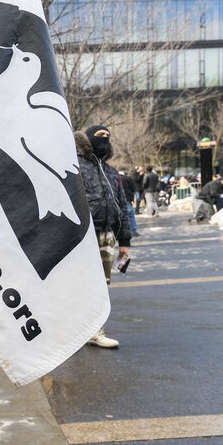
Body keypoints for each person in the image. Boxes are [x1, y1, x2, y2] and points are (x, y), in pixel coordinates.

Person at [75, 125, 131, 349]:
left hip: (107, 235)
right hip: (83, 233)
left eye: (108, 137)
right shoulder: (75, 165)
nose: (105, 139)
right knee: (78, 283)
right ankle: (74, 331)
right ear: (88, 140)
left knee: (100, 286)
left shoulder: (111, 172)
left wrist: (124, 242)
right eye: (100, 136)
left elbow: (122, 206)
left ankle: (93, 330)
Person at [119, 169, 138, 235]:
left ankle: (122, 230)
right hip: (127, 197)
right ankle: (133, 230)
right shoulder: (127, 178)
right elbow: (133, 188)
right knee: (130, 214)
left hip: (117, 199)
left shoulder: (113, 178)